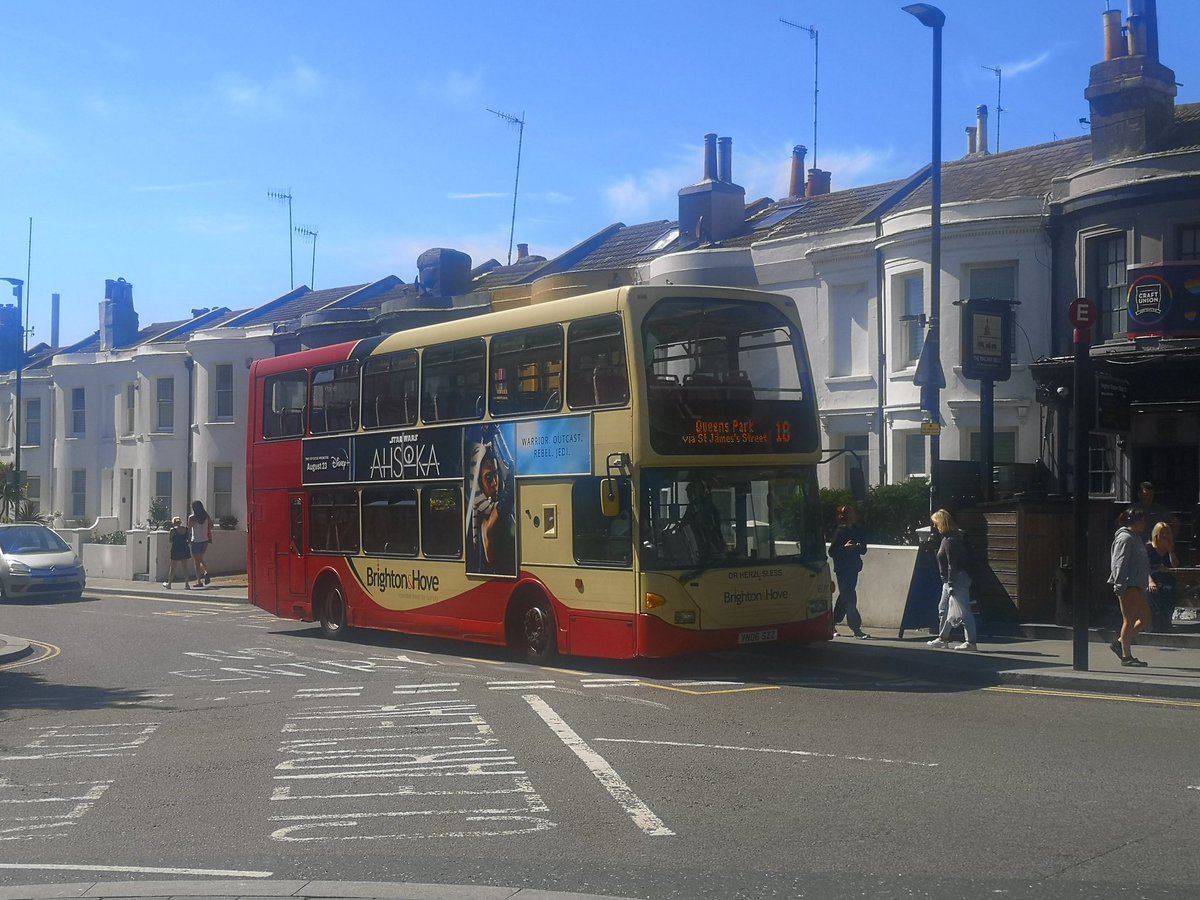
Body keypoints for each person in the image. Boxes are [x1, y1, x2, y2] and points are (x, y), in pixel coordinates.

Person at [926, 508, 978, 651]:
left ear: (942, 523)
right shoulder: (950, 539)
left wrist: (950, 583)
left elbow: (952, 564)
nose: (934, 527)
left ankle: (971, 642)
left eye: (936, 523)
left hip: (955, 580)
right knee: (944, 609)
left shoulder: (949, 541)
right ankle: (943, 638)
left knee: (963, 611)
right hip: (953, 579)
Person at [1107, 506, 1151, 667]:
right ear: (1135, 521)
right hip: (1128, 584)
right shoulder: (1124, 538)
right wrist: (1120, 584)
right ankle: (1126, 656)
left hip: (1138, 585)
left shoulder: (1136, 537)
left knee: (1145, 619)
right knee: (1129, 620)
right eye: (1143, 520)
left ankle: (1119, 642)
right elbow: (1119, 562)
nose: (1145, 523)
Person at [467, 432, 516, 575]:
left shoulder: (483, 520)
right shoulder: (490, 524)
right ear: (478, 485)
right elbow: (512, 481)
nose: (495, 482)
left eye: (495, 475)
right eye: (488, 477)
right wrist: (497, 435)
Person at [829, 504, 869, 638]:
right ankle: (856, 628)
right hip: (843, 568)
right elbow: (832, 551)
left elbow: (863, 549)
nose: (854, 515)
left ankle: (831, 622)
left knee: (845, 596)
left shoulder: (857, 530)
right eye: (850, 513)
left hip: (853, 567)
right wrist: (844, 548)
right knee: (850, 597)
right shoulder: (840, 531)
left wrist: (857, 547)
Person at [1146, 520, 1178, 634]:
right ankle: (1154, 622)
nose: (1164, 536)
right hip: (1151, 577)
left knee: (1169, 590)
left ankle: (1166, 622)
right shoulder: (1149, 549)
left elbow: (1175, 565)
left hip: (1166, 578)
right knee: (1154, 591)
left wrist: (1170, 551)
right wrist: (1150, 582)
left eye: (1167, 533)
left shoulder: (1171, 548)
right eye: (1162, 533)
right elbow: (1144, 568)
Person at [188, 500, 214, 587]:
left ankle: (199, 581)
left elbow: (189, 531)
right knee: (200, 559)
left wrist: (188, 541)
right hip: (205, 540)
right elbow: (211, 525)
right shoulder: (206, 516)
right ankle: (206, 572)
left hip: (196, 541)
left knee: (196, 562)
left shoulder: (192, 518)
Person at [162, 516, 192, 590]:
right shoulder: (186, 529)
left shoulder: (173, 530)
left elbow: (170, 540)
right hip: (184, 548)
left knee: (172, 568)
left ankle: (169, 584)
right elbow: (189, 540)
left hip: (176, 549)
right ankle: (187, 585)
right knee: (185, 567)